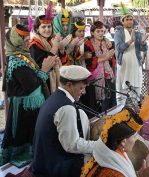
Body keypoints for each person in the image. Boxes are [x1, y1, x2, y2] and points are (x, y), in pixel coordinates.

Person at [0, 24, 56, 166]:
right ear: (15, 42)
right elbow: (31, 85)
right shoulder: (16, 61)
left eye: (27, 40)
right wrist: (44, 69)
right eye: (23, 41)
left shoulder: (24, 57)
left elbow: (33, 76)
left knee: (32, 131)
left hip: (31, 106)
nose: (27, 44)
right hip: (24, 108)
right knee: (23, 133)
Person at [81, 96, 149, 177]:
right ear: (123, 141)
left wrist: (141, 174)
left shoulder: (114, 150)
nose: (136, 140)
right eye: (134, 136)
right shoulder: (111, 172)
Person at [31, 65, 96, 177]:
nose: (84, 92)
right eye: (81, 88)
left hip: (44, 161)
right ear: (69, 85)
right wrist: (99, 146)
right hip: (55, 168)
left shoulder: (55, 97)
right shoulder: (66, 108)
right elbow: (72, 145)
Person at [114, 8, 148, 105]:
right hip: (124, 65)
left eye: (131, 19)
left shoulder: (138, 33)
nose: (129, 21)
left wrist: (143, 42)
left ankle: (135, 110)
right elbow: (119, 48)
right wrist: (130, 41)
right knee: (121, 90)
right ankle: (120, 111)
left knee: (137, 88)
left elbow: (144, 49)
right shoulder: (118, 33)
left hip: (136, 64)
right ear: (123, 22)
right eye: (127, 19)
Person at [81, 21, 115, 114]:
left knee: (109, 103)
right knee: (96, 105)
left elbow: (112, 62)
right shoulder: (87, 44)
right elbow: (89, 62)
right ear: (92, 32)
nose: (101, 33)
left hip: (108, 76)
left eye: (102, 31)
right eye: (98, 31)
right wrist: (106, 57)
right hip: (94, 79)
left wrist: (109, 57)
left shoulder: (108, 43)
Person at [29, 15, 69, 93]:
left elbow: (62, 61)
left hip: (56, 76)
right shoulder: (34, 45)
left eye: (49, 26)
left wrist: (61, 50)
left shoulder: (51, 40)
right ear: (37, 29)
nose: (47, 29)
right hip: (44, 81)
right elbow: (41, 65)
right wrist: (54, 48)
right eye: (43, 27)